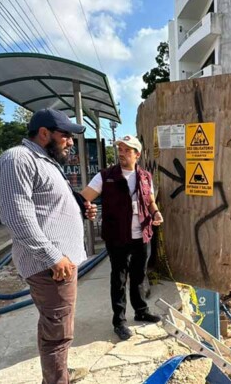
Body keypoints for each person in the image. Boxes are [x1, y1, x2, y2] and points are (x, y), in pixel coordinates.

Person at [0, 108, 98, 384]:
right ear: (44, 133)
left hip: (59, 265)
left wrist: (78, 208)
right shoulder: (17, 159)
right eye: (65, 135)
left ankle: (59, 372)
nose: (70, 142)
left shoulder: (46, 161)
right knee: (57, 332)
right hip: (51, 267)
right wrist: (53, 256)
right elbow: (16, 217)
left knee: (60, 327)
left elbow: (46, 205)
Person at [80, 135, 164, 340]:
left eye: (127, 150)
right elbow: (84, 198)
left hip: (142, 234)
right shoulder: (105, 176)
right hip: (117, 236)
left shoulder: (145, 177)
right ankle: (119, 321)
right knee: (119, 278)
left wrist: (155, 213)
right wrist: (86, 209)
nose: (122, 153)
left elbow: (150, 201)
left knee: (138, 275)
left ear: (137, 154)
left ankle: (141, 310)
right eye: (120, 149)